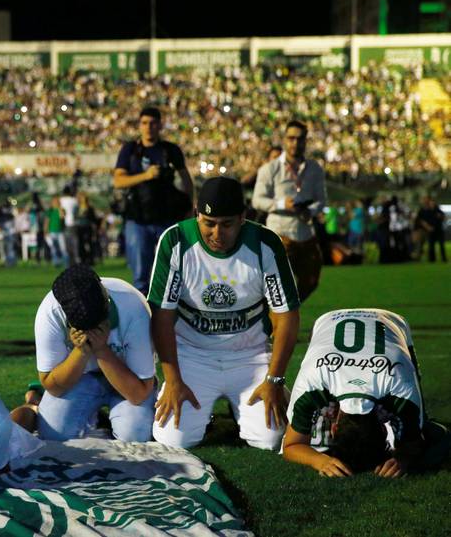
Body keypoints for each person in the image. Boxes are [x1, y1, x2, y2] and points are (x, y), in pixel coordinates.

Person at [150, 177, 300, 450]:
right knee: (172, 439)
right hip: (192, 356)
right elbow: (162, 315)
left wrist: (275, 380)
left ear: (243, 218)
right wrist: (172, 380)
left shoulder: (265, 243)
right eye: (209, 223)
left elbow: (287, 314)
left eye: (227, 224)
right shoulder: (176, 240)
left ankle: (241, 406)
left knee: (271, 438)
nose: (217, 234)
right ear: (197, 214)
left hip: (250, 357)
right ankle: (208, 413)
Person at [283, 309, 450, 477]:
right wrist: (404, 455)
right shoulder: (400, 390)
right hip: (342, 322)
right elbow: (291, 446)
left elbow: (291, 445)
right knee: (319, 442)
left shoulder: (314, 385)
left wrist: (403, 457)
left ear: (334, 427)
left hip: (391, 323)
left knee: (420, 425)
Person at [33, 264, 156, 442]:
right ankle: (95, 418)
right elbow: (51, 385)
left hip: (127, 376)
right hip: (81, 378)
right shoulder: (50, 312)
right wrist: (81, 351)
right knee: (53, 434)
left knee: (135, 435)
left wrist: (101, 349)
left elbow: (139, 393)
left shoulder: (133, 306)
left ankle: (102, 417)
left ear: (106, 297)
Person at [113, 106, 193, 295]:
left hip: (168, 217)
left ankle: (174, 316)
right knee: (141, 276)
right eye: (145, 123)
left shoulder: (170, 150)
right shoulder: (130, 150)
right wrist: (146, 175)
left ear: (160, 125)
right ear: (139, 126)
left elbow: (186, 180)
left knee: (176, 271)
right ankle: (143, 318)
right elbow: (118, 180)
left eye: (153, 123)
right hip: (138, 218)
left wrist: (189, 206)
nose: (149, 127)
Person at [252, 120, 327, 302]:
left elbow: (322, 200)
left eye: (300, 139)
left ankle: (289, 309)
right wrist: (281, 204)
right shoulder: (270, 169)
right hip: (280, 233)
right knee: (275, 284)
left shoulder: (315, 169)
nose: (295, 143)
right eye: (291, 138)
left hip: (305, 232)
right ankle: (277, 317)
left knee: (311, 280)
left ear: (305, 141)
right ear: (284, 140)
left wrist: (310, 210)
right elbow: (257, 200)